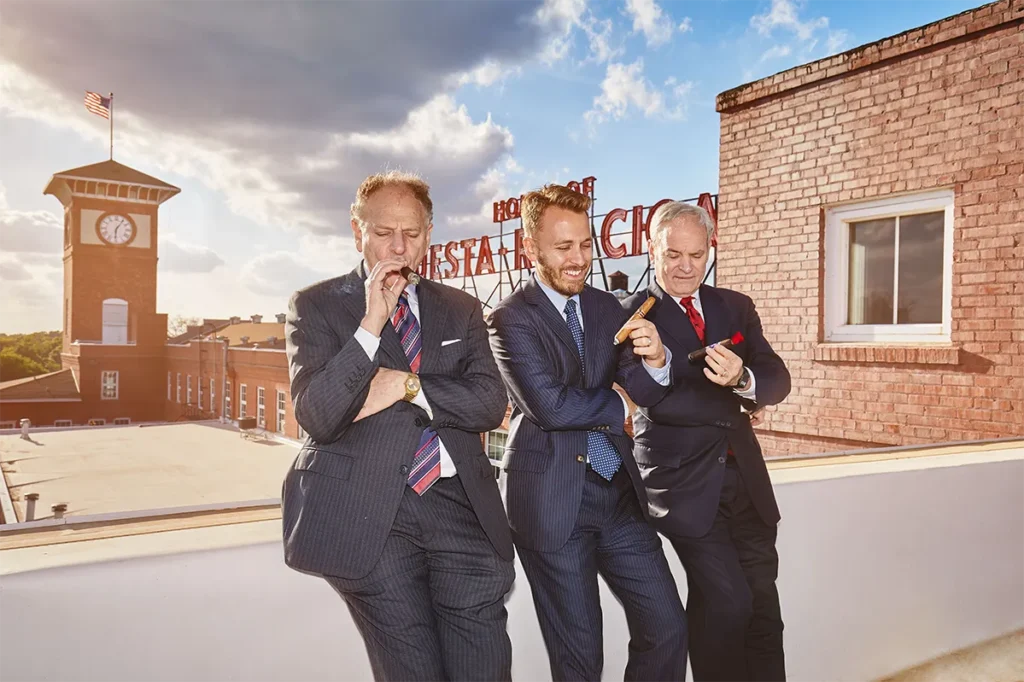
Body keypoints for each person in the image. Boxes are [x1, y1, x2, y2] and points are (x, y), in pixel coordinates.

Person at [282, 171, 515, 682]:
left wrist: (408, 386)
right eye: (384, 233)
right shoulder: (317, 306)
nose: (399, 246)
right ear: (356, 230)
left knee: (485, 668)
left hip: (461, 509)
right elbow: (319, 415)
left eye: (411, 234)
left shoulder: (461, 309)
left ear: (429, 234)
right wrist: (369, 327)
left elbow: (488, 403)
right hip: (369, 517)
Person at [487, 184, 688, 682]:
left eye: (584, 244)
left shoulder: (607, 308)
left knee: (667, 628)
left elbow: (641, 384)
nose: (579, 259)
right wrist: (619, 400)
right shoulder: (509, 319)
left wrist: (658, 359)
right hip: (552, 504)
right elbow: (551, 407)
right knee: (580, 660)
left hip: (619, 497)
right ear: (530, 249)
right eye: (563, 247)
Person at [622, 201, 791, 682]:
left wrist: (743, 381)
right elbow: (650, 397)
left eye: (696, 255)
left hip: (747, 483)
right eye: (673, 254)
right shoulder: (631, 316)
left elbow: (777, 379)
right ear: (651, 248)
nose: (685, 267)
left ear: (709, 251)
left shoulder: (734, 306)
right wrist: (731, 399)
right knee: (728, 601)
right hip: (684, 487)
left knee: (763, 609)